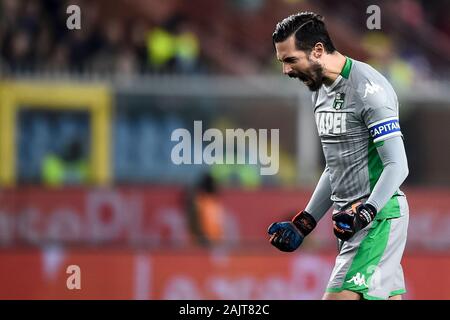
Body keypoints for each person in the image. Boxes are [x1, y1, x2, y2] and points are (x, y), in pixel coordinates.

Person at [268, 12, 409, 300]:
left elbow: (398, 165)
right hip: (349, 223)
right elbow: (337, 166)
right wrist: (305, 221)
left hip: (376, 220)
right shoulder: (319, 90)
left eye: (290, 59)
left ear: (318, 51)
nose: (286, 70)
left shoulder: (369, 89)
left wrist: (367, 213)